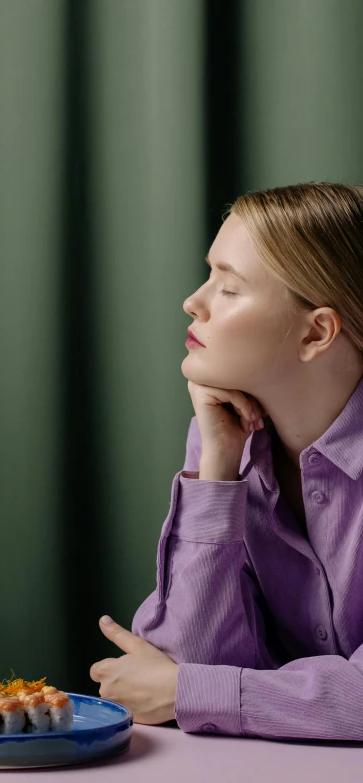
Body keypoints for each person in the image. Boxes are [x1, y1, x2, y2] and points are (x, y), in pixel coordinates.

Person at [89, 181, 363, 741]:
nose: (194, 301)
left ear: (317, 332)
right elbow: (188, 657)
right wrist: (216, 466)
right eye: (209, 274)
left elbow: (178, 687)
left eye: (230, 288)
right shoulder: (225, 441)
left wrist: (195, 691)